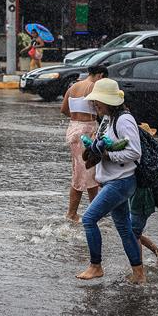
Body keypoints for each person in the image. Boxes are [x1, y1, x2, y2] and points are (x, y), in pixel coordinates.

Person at [76, 78, 146, 284]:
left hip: (121, 181)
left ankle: (96, 266)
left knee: (88, 219)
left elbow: (134, 151)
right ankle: (139, 274)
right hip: (114, 181)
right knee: (125, 229)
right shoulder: (109, 119)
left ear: (109, 101)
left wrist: (108, 156)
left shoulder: (124, 120)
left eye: (98, 101)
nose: (95, 105)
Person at [60, 65, 106, 222]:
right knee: (86, 174)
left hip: (73, 129)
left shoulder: (73, 86)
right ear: (100, 75)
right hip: (87, 131)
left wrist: (76, 115)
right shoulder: (93, 87)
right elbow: (101, 110)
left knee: (84, 172)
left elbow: (64, 109)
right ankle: (75, 213)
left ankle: (90, 211)